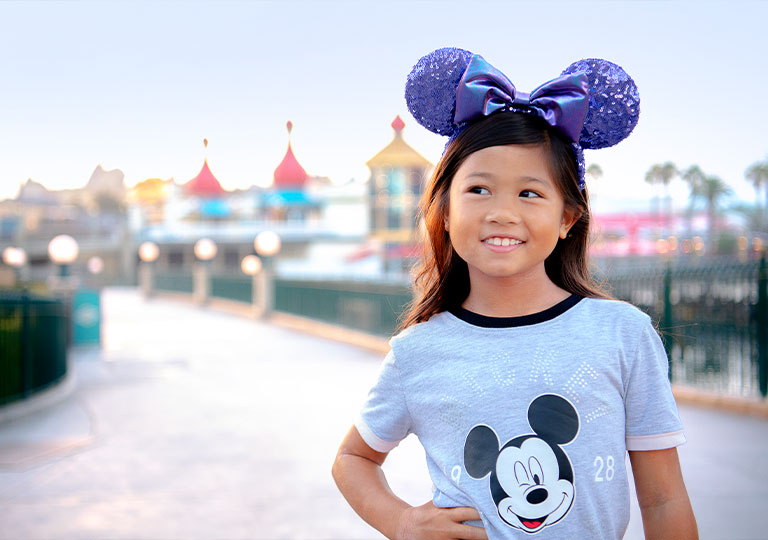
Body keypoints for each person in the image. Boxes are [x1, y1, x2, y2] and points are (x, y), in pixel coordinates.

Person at [332, 47, 698, 540]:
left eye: (529, 193)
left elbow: (664, 497)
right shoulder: (416, 352)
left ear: (568, 217)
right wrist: (400, 520)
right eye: (479, 189)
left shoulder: (622, 334)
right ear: (443, 208)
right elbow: (352, 458)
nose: (502, 212)